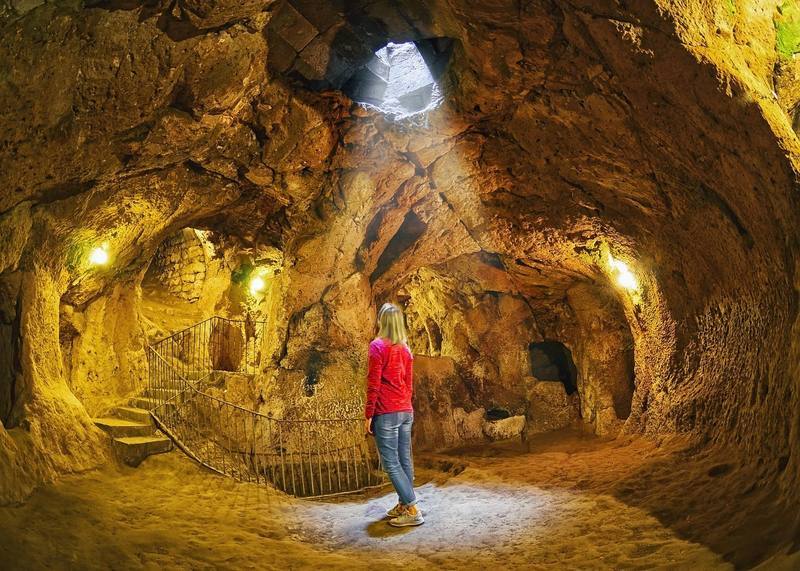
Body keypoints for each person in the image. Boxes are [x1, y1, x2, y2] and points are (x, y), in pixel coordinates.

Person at [364, 302, 423, 527]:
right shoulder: (405, 350)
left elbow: (374, 383)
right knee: (404, 459)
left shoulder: (378, 347)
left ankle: (412, 507)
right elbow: (408, 384)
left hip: (386, 411)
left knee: (390, 462)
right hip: (405, 410)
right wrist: (407, 407)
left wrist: (369, 413)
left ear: (382, 322)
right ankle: (403, 503)